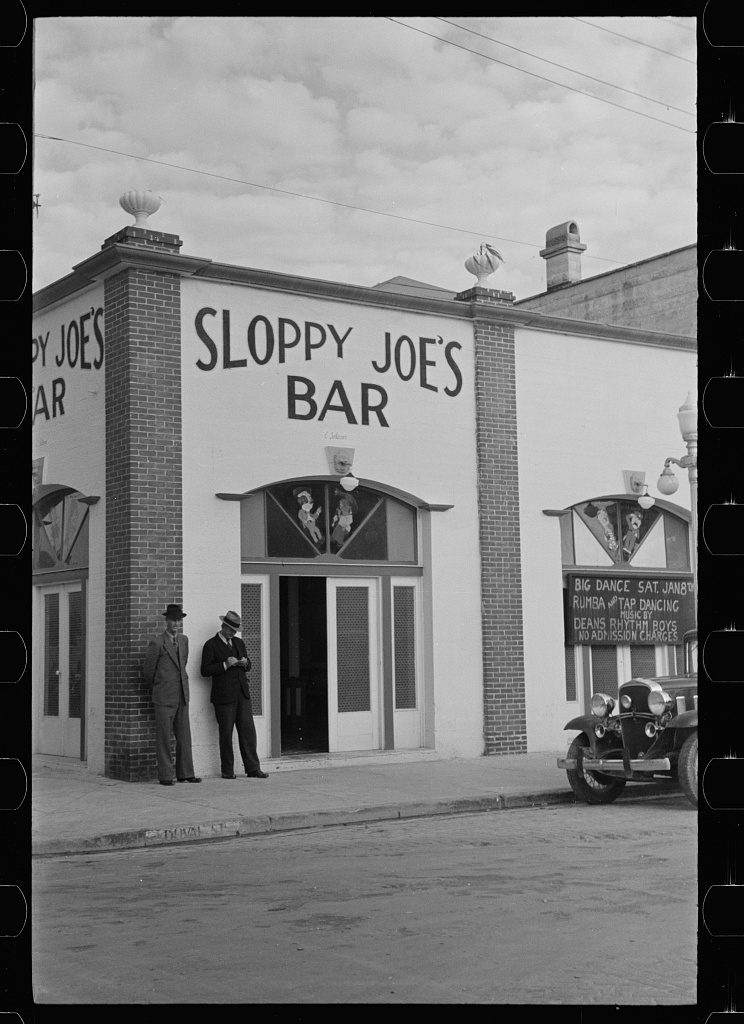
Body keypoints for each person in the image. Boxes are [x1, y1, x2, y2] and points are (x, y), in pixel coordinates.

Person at [200, 609, 268, 780]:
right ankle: (227, 771)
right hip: (223, 697)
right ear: (223, 626)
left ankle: (253, 768)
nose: (232, 633)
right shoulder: (211, 645)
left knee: (248, 732)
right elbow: (204, 670)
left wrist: (245, 663)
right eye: (230, 629)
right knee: (226, 733)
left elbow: (249, 665)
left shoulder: (238, 643)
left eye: (235, 630)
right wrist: (224, 664)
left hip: (241, 694)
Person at [142, 603, 201, 786]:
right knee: (164, 737)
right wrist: (159, 686)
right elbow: (148, 671)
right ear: (166, 621)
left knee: (184, 736)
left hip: (182, 695)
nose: (176, 623)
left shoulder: (184, 640)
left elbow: (182, 664)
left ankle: (186, 773)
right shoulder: (158, 642)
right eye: (173, 620)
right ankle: (166, 775)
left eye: (179, 620)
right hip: (164, 696)